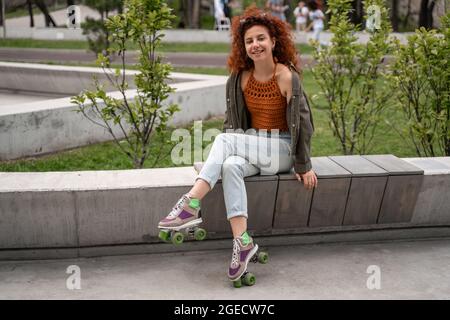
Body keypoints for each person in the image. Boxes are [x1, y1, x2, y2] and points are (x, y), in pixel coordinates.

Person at [158, 6, 317, 283]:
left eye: (260, 39)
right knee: (230, 165)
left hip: (281, 148)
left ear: (274, 41)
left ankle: (191, 202)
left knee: (222, 139)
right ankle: (242, 242)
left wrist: (304, 164)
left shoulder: (286, 76)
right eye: (249, 41)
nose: (255, 45)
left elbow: (304, 122)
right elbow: (234, 124)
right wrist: (216, 163)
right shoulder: (239, 79)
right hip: (252, 145)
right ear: (243, 47)